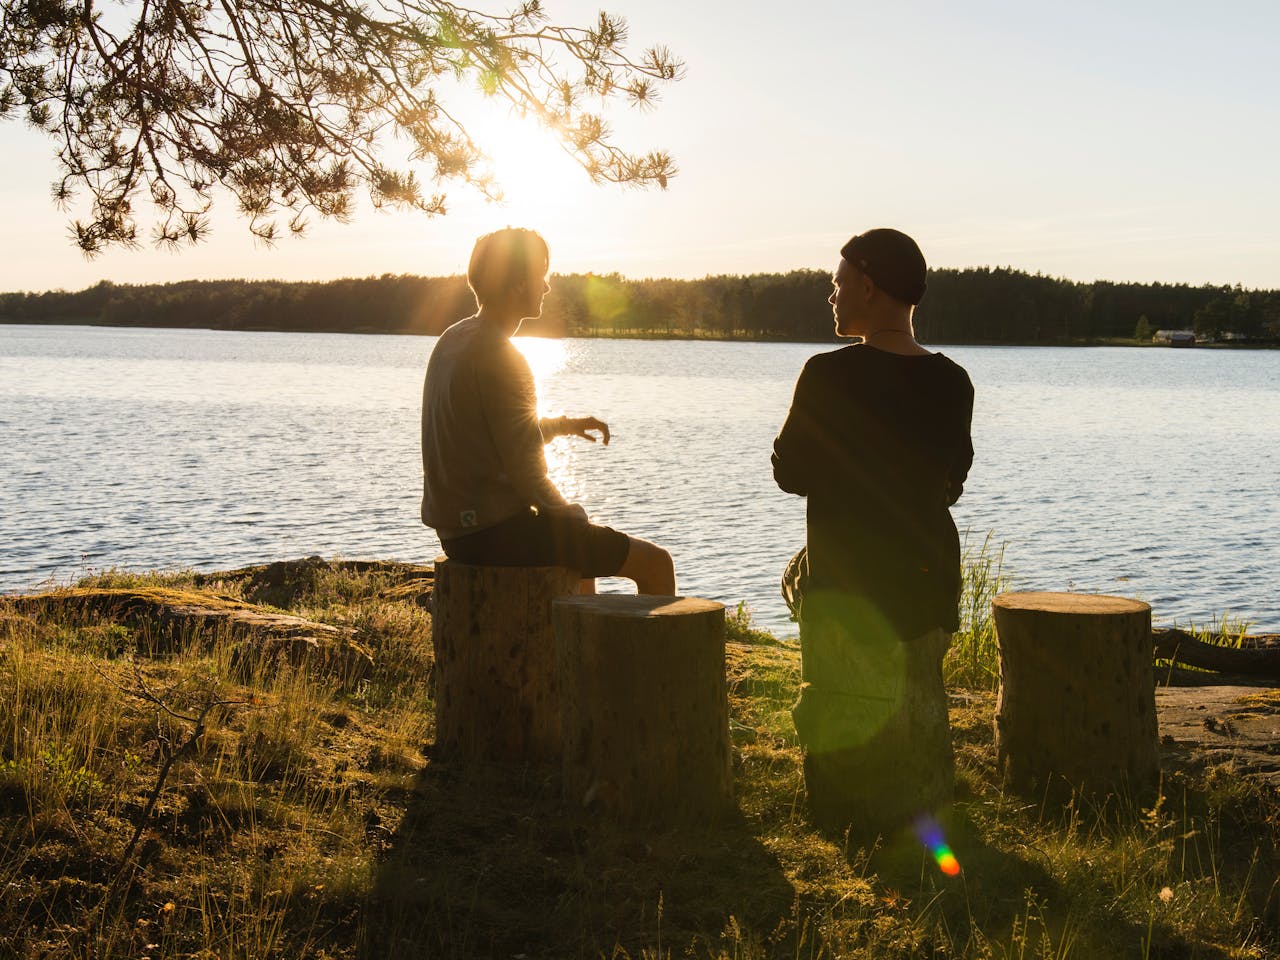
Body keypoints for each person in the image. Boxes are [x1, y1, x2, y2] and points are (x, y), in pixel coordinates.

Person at [771, 228, 974, 837]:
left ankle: (848, 819)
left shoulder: (828, 375)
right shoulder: (953, 380)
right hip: (925, 583)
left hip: (847, 586)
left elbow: (791, 472)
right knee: (918, 700)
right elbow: (951, 482)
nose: (831, 297)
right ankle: (924, 805)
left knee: (802, 584)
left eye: (837, 285)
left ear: (867, 285)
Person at [421, 227, 676, 595]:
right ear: (519, 283)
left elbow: (494, 435)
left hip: (456, 533)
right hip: (495, 534)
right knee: (655, 563)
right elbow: (528, 473)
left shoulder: (455, 338)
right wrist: (573, 515)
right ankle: (656, 654)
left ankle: (583, 650)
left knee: (579, 556)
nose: (547, 286)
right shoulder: (502, 356)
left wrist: (563, 426)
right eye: (542, 274)